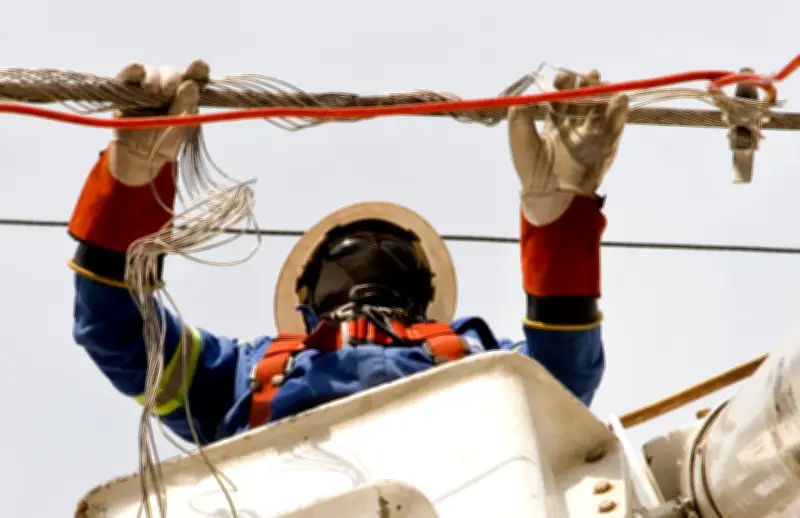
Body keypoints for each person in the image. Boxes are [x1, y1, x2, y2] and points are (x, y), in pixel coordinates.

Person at [68, 59, 629, 445]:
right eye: (348, 248)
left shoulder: (479, 356)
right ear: (305, 291)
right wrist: (131, 188)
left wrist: (557, 216)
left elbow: (562, 378)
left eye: (389, 248)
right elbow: (116, 330)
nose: (369, 252)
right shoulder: (235, 374)